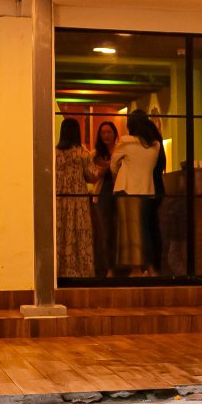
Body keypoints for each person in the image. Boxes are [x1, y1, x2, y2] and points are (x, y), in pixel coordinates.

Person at [111, 110, 164, 277]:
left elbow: (113, 165)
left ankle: (135, 269)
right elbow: (154, 166)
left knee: (129, 232)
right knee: (145, 230)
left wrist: (119, 171)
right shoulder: (155, 144)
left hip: (126, 189)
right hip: (147, 190)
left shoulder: (126, 141)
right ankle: (150, 268)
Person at [55, 117, 99, 280]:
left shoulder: (54, 153)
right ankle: (80, 272)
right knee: (79, 234)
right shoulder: (83, 153)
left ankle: (58, 271)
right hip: (78, 200)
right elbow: (92, 176)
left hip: (59, 199)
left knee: (61, 233)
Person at [92, 119, 120, 277]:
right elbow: (93, 176)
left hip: (119, 193)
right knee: (107, 232)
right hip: (103, 194)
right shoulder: (96, 154)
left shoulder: (120, 150)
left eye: (109, 132)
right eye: (103, 132)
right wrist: (103, 169)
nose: (106, 135)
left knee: (120, 231)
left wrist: (110, 165)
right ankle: (109, 268)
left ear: (115, 133)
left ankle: (123, 267)